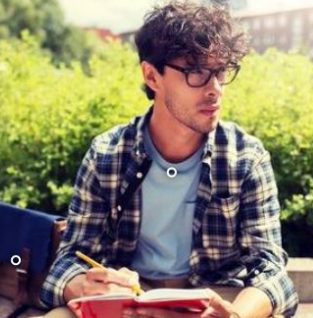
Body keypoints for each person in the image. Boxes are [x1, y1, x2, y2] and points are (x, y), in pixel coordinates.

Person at [40, 1, 298, 317]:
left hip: (211, 300)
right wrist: (85, 286)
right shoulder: (107, 154)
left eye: (220, 71)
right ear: (152, 76)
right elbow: (67, 262)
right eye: (197, 72)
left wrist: (236, 316)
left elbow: (272, 270)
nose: (215, 89)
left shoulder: (245, 158)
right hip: (130, 303)